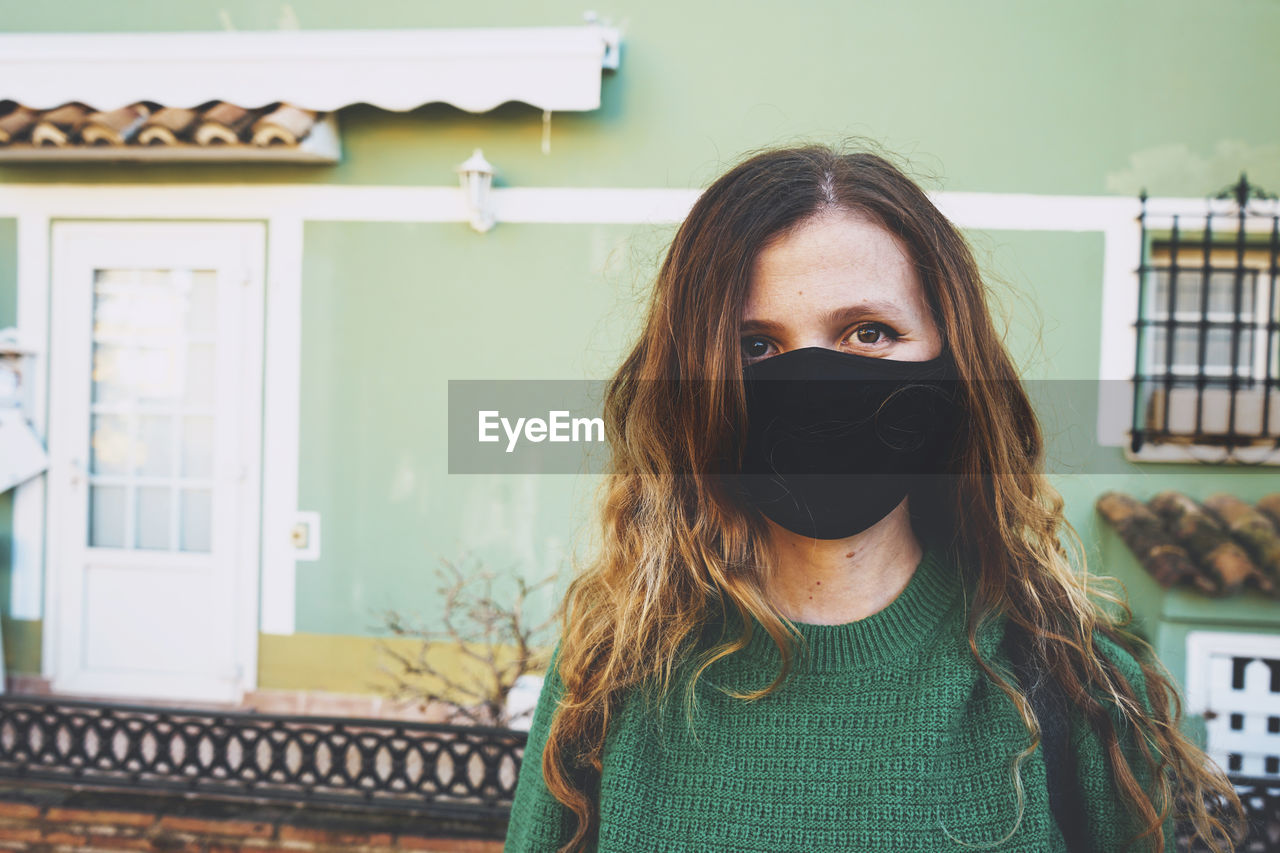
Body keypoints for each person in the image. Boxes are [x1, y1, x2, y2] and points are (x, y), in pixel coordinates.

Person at [503, 144, 1247, 852]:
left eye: (868, 332)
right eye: (754, 346)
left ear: (953, 370)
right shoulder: (610, 670)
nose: (815, 388)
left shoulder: (1076, 685)